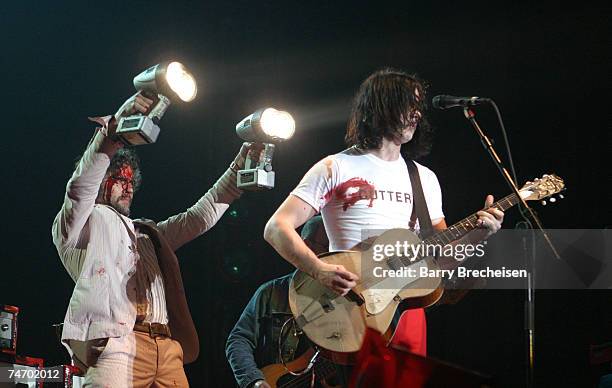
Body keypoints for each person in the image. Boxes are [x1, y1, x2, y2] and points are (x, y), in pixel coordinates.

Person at [263, 68, 504, 360]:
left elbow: (442, 258)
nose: (416, 114)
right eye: (407, 104)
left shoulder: (424, 178)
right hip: (351, 305)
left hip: (408, 308)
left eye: (418, 106)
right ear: (380, 106)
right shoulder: (335, 166)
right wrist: (318, 269)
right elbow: (277, 227)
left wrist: (480, 234)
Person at [52, 92, 250, 387]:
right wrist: (112, 136)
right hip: (117, 343)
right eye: (119, 178)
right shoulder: (82, 222)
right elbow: (80, 189)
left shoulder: (148, 232)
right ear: (102, 181)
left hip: (166, 346)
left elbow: (198, 217)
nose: (128, 186)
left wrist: (238, 172)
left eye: (131, 181)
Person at [225, 215, 334, 388]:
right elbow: (239, 340)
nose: (335, 255)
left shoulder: (346, 300)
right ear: (306, 245)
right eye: (328, 246)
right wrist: (255, 381)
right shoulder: (271, 292)